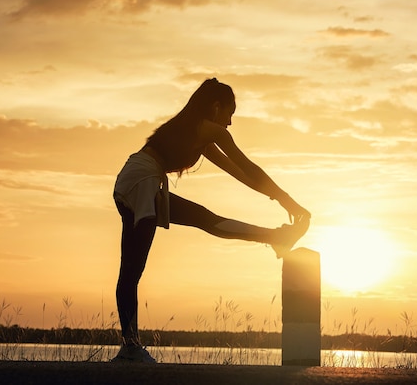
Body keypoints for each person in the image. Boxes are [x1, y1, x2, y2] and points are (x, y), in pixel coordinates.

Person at [111, 78, 311, 363]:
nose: (229, 123)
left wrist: (281, 199)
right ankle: (130, 347)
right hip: (141, 180)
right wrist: (287, 199)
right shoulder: (208, 130)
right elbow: (249, 167)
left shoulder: (200, 135)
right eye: (230, 114)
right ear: (216, 108)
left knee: (204, 220)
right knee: (132, 268)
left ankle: (276, 238)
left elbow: (241, 174)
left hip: (138, 179)